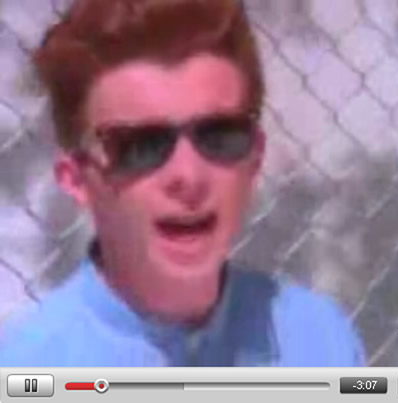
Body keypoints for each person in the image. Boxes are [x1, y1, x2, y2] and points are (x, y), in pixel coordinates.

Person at [0, 0, 364, 366]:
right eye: (141, 147)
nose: (188, 177)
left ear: (254, 157)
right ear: (77, 180)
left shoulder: (319, 338)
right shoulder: (24, 364)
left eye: (219, 136)